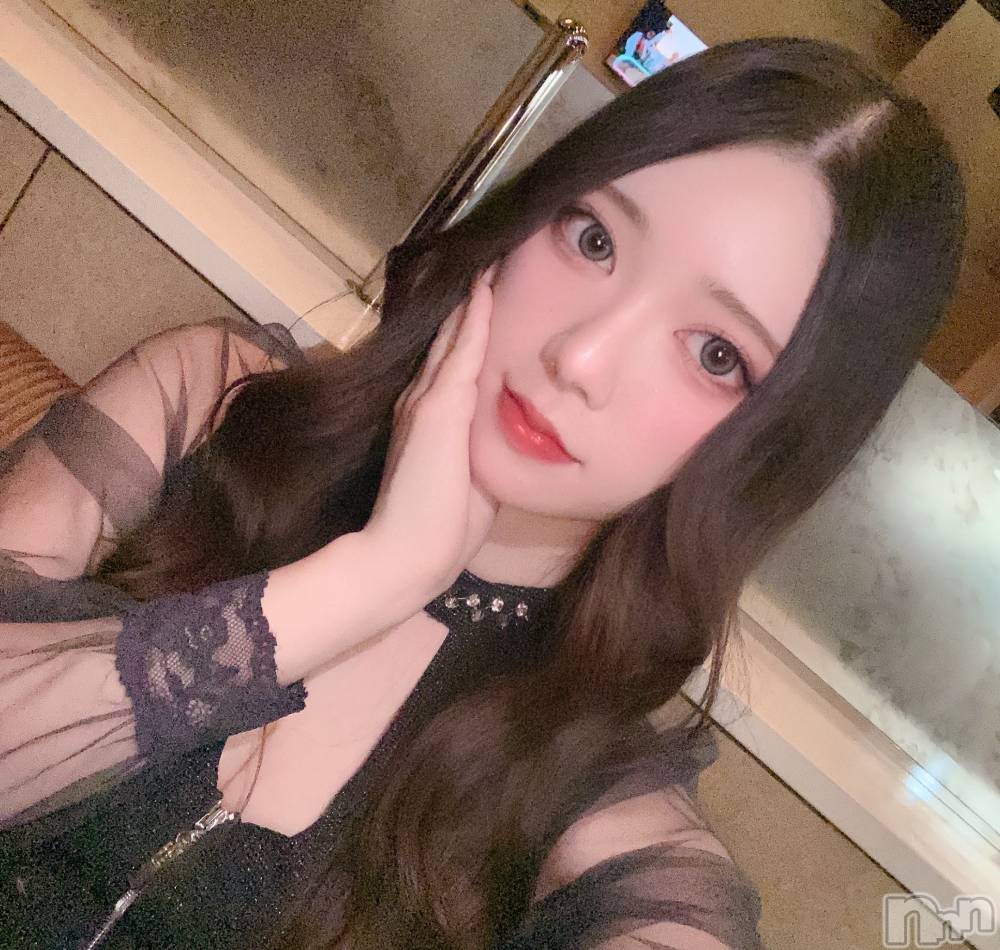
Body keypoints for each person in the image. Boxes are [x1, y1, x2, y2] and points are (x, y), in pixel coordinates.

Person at [0, 34, 965, 950]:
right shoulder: (212, 401)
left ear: (773, 449)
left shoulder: (598, 809)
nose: (580, 357)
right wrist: (375, 575)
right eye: (594, 239)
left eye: (716, 354)